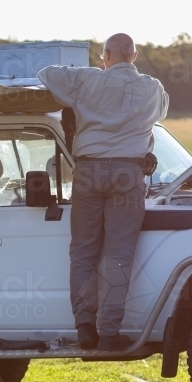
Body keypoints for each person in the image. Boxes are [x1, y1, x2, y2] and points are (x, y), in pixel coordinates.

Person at [38, 34, 168, 352]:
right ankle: (109, 332)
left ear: (106, 55)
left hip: (88, 172)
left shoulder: (86, 80)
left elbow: (46, 73)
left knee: (83, 251)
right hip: (128, 173)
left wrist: (93, 70)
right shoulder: (152, 87)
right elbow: (162, 112)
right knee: (118, 256)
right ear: (134, 56)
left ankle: (85, 325)